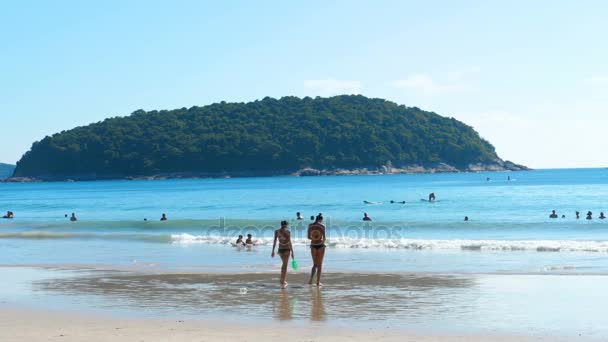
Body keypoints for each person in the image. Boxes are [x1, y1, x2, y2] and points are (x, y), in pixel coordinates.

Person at [271, 220, 295, 289]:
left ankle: (282, 279)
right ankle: (283, 281)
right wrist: (292, 252)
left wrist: (273, 251)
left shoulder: (277, 231)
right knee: (285, 265)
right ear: (287, 225)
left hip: (280, 249)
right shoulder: (288, 232)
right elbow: (289, 242)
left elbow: (275, 241)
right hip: (287, 249)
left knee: (284, 264)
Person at [308, 214, 326, 287]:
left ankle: (311, 280)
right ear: (321, 219)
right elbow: (324, 238)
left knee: (315, 264)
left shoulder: (310, 226)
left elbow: (308, 237)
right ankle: (318, 282)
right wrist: (321, 241)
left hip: (313, 245)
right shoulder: (322, 226)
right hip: (320, 245)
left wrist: (314, 238)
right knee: (320, 264)